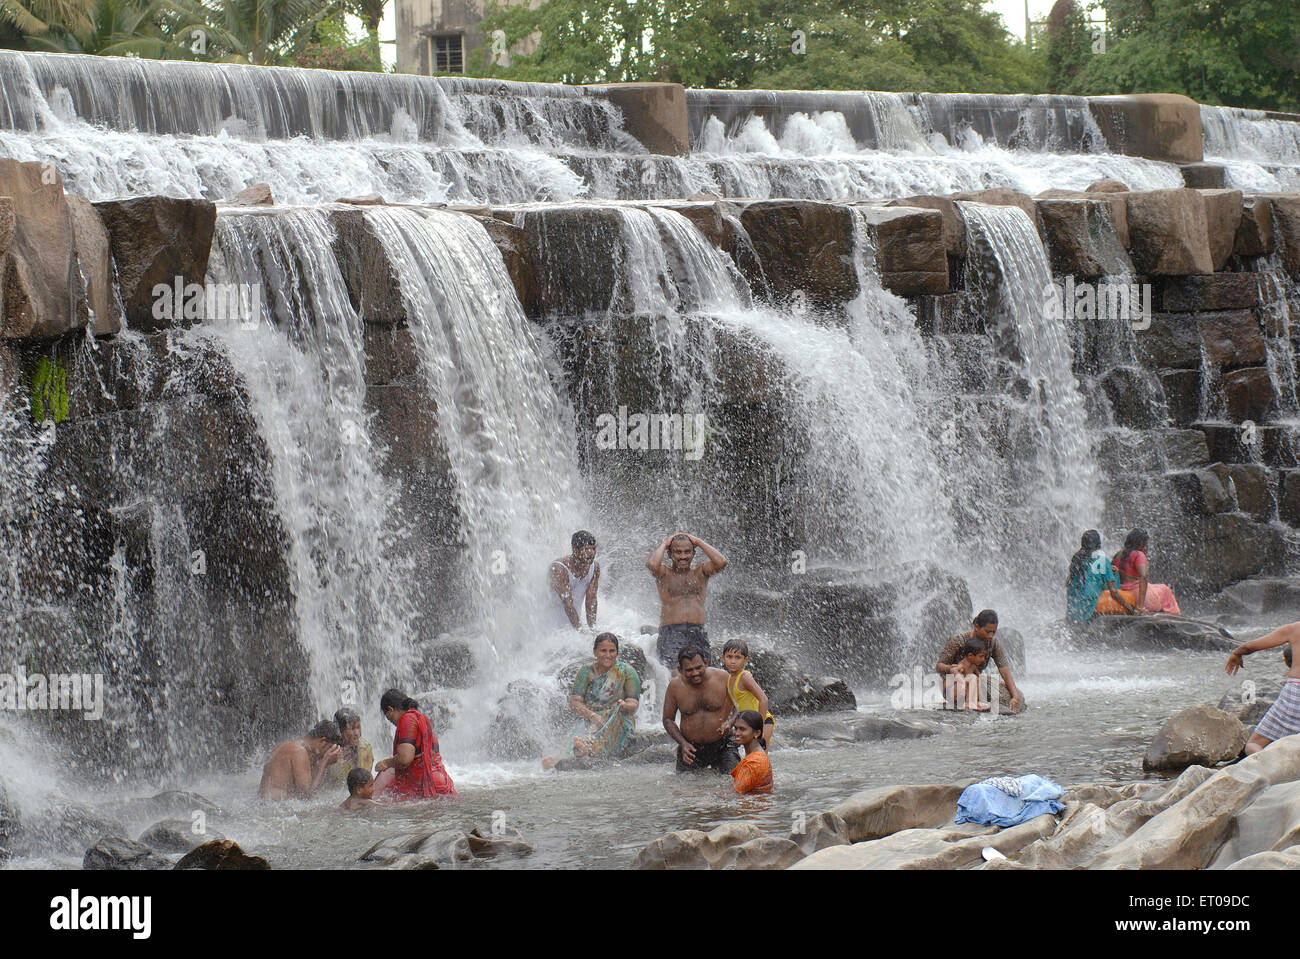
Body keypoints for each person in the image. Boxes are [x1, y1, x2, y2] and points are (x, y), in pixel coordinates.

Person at [543, 632, 641, 768]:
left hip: (617, 716)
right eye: (603, 651)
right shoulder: (586, 671)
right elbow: (575, 701)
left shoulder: (627, 671)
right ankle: (563, 757)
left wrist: (625, 705)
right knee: (580, 731)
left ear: (617, 652)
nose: (607, 655)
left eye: (612, 651)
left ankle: (588, 748)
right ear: (595, 652)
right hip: (590, 717)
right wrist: (592, 715)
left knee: (611, 721)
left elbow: (634, 702)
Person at [647, 531, 728, 674]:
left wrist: (698, 541)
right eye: (678, 552)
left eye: (687, 552)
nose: (683, 556)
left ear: (693, 553)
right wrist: (665, 543)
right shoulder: (664, 573)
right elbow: (652, 564)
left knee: (703, 674)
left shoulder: (700, 571)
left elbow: (721, 562)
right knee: (675, 675)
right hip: (672, 632)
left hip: (698, 632)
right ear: (670, 554)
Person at [1225, 621, 1300, 754]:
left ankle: (1276, 768)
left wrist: (1237, 653)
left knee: (1253, 744)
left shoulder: (1295, 629)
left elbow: (1250, 647)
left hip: (1295, 693)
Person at [663, 647, 740, 773]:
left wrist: (730, 722)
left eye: (699, 668)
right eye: (689, 670)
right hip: (690, 748)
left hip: (723, 744)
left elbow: (740, 706)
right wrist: (683, 743)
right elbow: (667, 719)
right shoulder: (675, 687)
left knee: (734, 782)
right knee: (684, 788)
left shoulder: (723, 678)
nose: (695, 673)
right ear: (679, 670)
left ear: (705, 662)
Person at [372, 689, 457, 800]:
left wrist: (386, 763)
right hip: (439, 782)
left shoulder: (408, 719)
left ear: (390, 710)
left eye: (388, 717)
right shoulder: (422, 719)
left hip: (422, 785)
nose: (391, 722)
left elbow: (405, 758)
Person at [936, 610, 1024, 713]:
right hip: (953, 684)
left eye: (993, 632)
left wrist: (1015, 697)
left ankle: (974, 701)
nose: (991, 635)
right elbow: (939, 665)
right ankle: (967, 703)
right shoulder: (958, 641)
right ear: (977, 627)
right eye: (987, 632)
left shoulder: (993, 643)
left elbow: (1004, 670)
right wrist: (951, 669)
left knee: (1015, 694)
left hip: (974, 682)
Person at [258, 720, 343, 800]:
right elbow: (307, 796)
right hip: (274, 806)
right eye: (330, 749)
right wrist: (324, 764)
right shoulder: (299, 751)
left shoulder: (287, 745)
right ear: (322, 741)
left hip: (265, 802)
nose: (328, 753)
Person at [1067, 529, 1138, 621]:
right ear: (1098, 544)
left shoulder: (1077, 560)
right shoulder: (1102, 560)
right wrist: (1131, 609)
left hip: (1073, 609)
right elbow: (1114, 592)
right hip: (1088, 608)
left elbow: (1072, 584)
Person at [720, 639, 775, 747]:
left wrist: (760, 728)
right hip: (748, 725)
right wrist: (725, 722)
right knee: (751, 756)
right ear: (723, 658)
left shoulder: (744, 677)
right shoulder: (729, 678)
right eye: (729, 657)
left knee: (760, 756)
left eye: (738, 657)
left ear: (745, 660)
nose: (733, 661)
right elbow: (729, 703)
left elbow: (763, 699)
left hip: (762, 722)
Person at [1113, 528, 1181, 615]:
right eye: (1145, 544)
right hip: (1137, 596)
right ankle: (1174, 619)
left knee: (1158, 587)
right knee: (1165, 589)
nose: (1146, 547)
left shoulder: (1118, 554)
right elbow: (1143, 577)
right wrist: (1140, 606)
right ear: (1141, 543)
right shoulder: (1139, 554)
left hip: (1123, 593)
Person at [550, 530, 600, 630]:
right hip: (550, 626)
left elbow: (591, 600)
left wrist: (593, 629)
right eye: (586, 549)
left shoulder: (594, 567)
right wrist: (579, 630)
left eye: (593, 549)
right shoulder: (559, 569)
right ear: (575, 550)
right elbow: (568, 603)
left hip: (573, 624)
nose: (591, 553)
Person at [324, 707, 375, 790]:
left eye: (358, 727)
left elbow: (366, 777)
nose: (356, 733)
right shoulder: (331, 751)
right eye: (351, 728)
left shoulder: (365, 747)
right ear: (339, 731)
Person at [730, 710, 773, 795]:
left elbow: (735, 794)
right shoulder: (756, 754)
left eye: (742, 729)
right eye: (735, 728)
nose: (736, 733)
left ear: (757, 733)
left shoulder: (754, 762)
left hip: (752, 807)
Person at [943, 639, 991, 711]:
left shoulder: (973, 666)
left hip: (963, 693)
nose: (983, 659)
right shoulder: (962, 665)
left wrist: (993, 680)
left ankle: (974, 701)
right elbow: (953, 670)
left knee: (977, 679)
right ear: (970, 655)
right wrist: (961, 681)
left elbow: (980, 676)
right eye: (981, 656)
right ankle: (969, 703)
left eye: (984, 657)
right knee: (972, 677)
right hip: (953, 693)